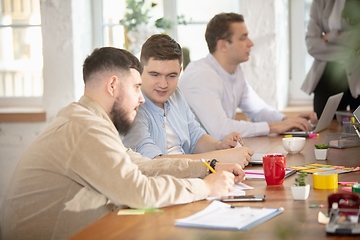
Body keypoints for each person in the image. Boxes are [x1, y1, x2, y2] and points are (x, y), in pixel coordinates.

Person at [0, 47, 245, 240]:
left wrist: (209, 167)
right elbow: (139, 192)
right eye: (137, 87)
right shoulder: (85, 128)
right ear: (113, 85)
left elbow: (144, 166)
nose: (141, 99)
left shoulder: (90, 121)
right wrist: (206, 187)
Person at [178, 13, 318, 140]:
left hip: (218, 154)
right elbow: (220, 130)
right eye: (243, 38)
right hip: (194, 161)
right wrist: (275, 127)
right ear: (223, 45)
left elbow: (258, 110)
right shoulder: (201, 76)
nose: (251, 43)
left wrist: (288, 121)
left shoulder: (235, 70)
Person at [122, 34, 253, 168]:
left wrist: (220, 146)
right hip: (163, 182)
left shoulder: (175, 94)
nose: (163, 84)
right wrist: (218, 158)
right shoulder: (132, 108)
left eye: (171, 76)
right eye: (155, 74)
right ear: (140, 70)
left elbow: (195, 135)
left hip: (192, 175)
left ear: (179, 72)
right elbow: (153, 163)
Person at [301, 0, 360, 118]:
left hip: (357, 76)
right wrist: (351, 51)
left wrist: (331, 36)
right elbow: (312, 44)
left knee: (356, 131)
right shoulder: (319, 2)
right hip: (326, 77)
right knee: (324, 130)